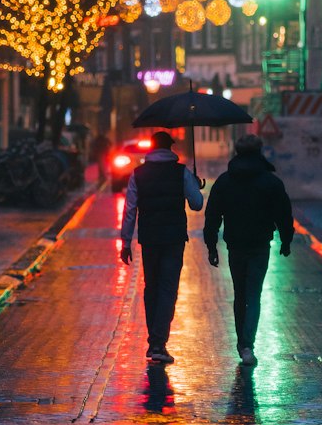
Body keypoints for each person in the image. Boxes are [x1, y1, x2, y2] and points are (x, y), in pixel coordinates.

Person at [203, 133, 294, 366]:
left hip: (235, 245)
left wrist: (211, 244)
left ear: (236, 152)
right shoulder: (271, 182)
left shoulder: (224, 181)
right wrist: (286, 240)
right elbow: (283, 213)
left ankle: (242, 343)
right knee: (254, 295)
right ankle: (248, 345)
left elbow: (213, 214)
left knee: (240, 294)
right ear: (259, 152)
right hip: (259, 245)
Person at [120, 130, 203, 364]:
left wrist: (126, 242)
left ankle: (154, 340)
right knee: (168, 289)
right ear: (170, 149)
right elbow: (197, 204)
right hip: (174, 238)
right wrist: (196, 186)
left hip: (150, 238)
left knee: (152, 288)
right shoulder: (181, 172)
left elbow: (130, 210)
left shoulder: (138, 174)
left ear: (151, 148)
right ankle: (158, 343)